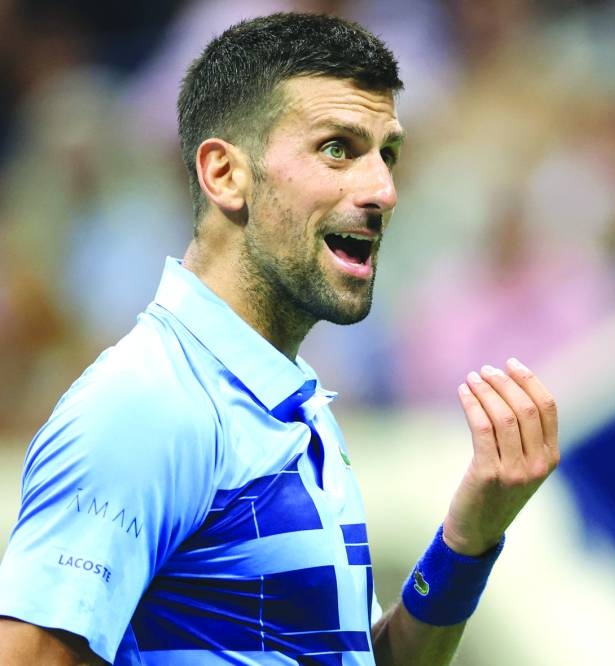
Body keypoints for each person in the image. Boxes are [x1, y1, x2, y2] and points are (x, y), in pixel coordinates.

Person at [0, 12, 560, 666]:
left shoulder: (299, 415)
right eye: (337, 149)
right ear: (225, 175)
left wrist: (465, 542)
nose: (383, 189)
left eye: (389, 155)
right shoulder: (147, 404)